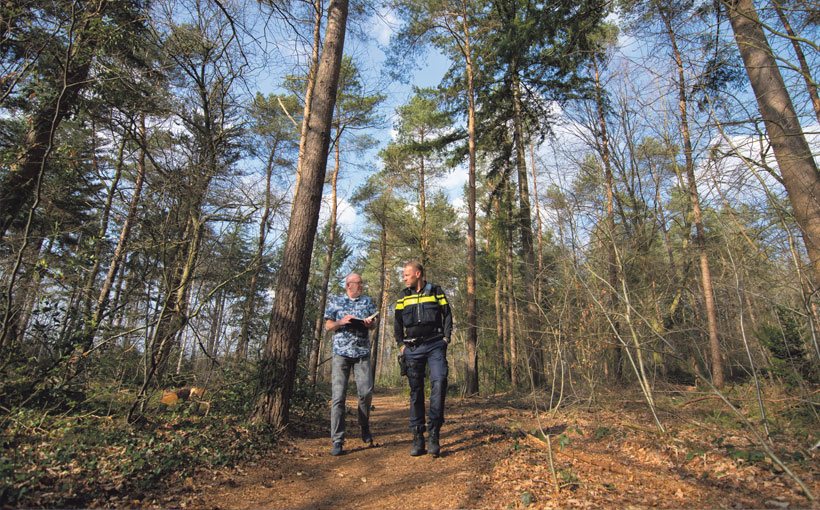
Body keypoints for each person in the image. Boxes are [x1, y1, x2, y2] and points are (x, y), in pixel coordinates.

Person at [394, 261, 453, 457]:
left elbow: (447, 314)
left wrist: (446, 338)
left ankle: (434, 433)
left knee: (439, 382)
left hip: (436, 345)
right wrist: (401, 345)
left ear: (418, 274)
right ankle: (418, 435)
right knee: (415, 391)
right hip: (412, 348)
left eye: (407, 275)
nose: (404, 278)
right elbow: (397, 321)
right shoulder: (403, 295)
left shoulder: (435, 291)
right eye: (404, 275)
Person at [324, 272, 378, 456]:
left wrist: (370, 323)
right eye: (359, 283)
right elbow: (328, 326)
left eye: (362, 283)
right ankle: (337, 440)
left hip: (362, 353)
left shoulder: (367, 302)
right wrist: (341, 321)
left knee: (366, 392)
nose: (362, 286)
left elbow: (374, 325)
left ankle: (364, 425)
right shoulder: (336, 301)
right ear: (349, 285)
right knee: (338, 397)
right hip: (341, 354)